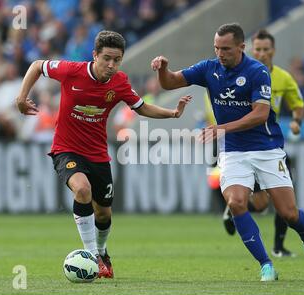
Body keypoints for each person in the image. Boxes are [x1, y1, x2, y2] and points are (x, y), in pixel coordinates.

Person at [151, 23, 304, 281]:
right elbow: (170, 83)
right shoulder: (209, 68)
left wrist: (222, 127)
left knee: (288, 213)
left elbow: (261, 114)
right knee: (236, 202)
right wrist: (163, 68)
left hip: (267, 148)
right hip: (233, 151)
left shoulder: (257, 72)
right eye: (217, 48)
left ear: (242, 47)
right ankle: (266, 265)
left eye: (226, 49)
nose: (220, 53)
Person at [16, 30, 192, 279]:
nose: (111, 65)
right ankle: (92, 257)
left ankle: (102, 251)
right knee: (82, 189)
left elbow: (141, 108)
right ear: (94, 55)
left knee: (103, 213)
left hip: (98, 154)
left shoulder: (119, 82)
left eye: (116, 60)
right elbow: (36, 65)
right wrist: (22, 98)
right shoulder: (70, 71)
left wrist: (172, 113)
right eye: (106, 58)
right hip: (66, 149)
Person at [221, 29, 304, 258]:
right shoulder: (241, 74)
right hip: (246, 144)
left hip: (271, 144)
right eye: (258, 49)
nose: (262, 53)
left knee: (284, 198)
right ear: (250, 49)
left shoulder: (283, 78)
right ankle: (234, 207)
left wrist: (297, 121)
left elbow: (297, 103)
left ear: (273, 51)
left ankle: (278, 246)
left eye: (266, 49)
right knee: (258, 204)